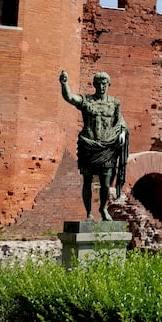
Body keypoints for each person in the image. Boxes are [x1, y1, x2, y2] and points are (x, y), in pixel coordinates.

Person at [59, 70, 129, 221]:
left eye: (104, 84)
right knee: (87, 181)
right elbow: (70, 97)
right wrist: (64, 83)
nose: (102, 86)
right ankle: (89, 213)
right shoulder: (87, 101)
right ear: (94, 85)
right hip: (88, 144)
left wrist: (122, 133)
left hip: (106, 146)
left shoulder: (115, 103)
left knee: (105, 182)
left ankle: (103, 209)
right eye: (99, 84)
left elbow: (120, 122)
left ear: (108, 85)